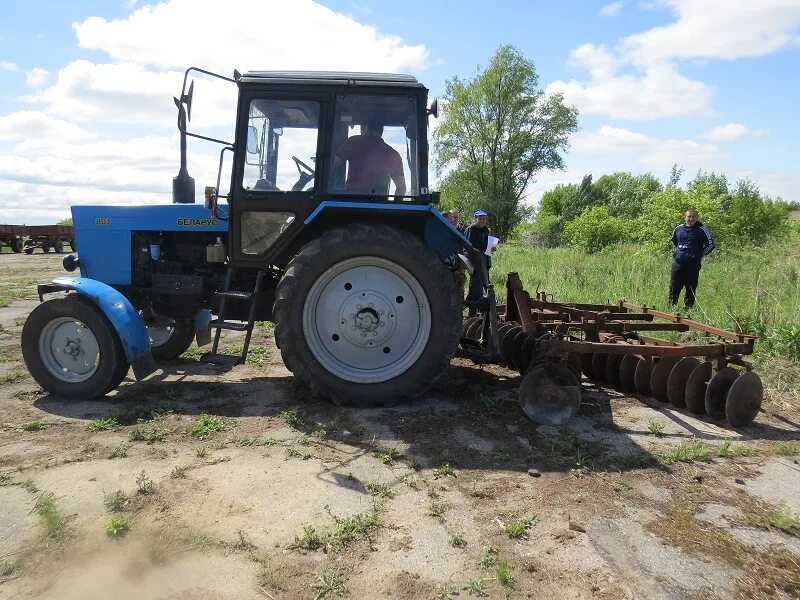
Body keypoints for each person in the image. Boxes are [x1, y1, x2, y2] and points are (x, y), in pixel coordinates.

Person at [333, 117, 406, 196]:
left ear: (365, 128)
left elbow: (331, 165)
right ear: (381, 131)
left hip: (351, 200)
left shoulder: (353, 142)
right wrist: (391, 207)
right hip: (379, 203)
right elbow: (401, 188)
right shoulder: (392, 154)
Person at [669, 207, 715, 309]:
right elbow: (674, 241)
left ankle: (688, 310)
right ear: (685, 217)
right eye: (689, 217)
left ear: (697, 218)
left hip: (693, 265)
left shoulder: (702, 230)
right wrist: (680, 252)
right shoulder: (678, 229)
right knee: (674, 286)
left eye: (693, 217)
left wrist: (699, 254)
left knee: (690, 288)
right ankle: (671, 308)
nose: (691, 219)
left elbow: (711, 245)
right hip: (678, 263)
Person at [464, 208, 494, 317]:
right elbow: (467, 248)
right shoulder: (471, 229)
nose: (482, 220)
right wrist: (470, 266)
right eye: (480, 218)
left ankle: (482, 314)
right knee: (475, 290)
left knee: (486, 288)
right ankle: (472, 314)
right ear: (475, 218)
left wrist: (492, 248)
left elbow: (487, 247)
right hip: (476, 265)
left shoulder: (486, 230)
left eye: (484, 218)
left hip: (485, 264)